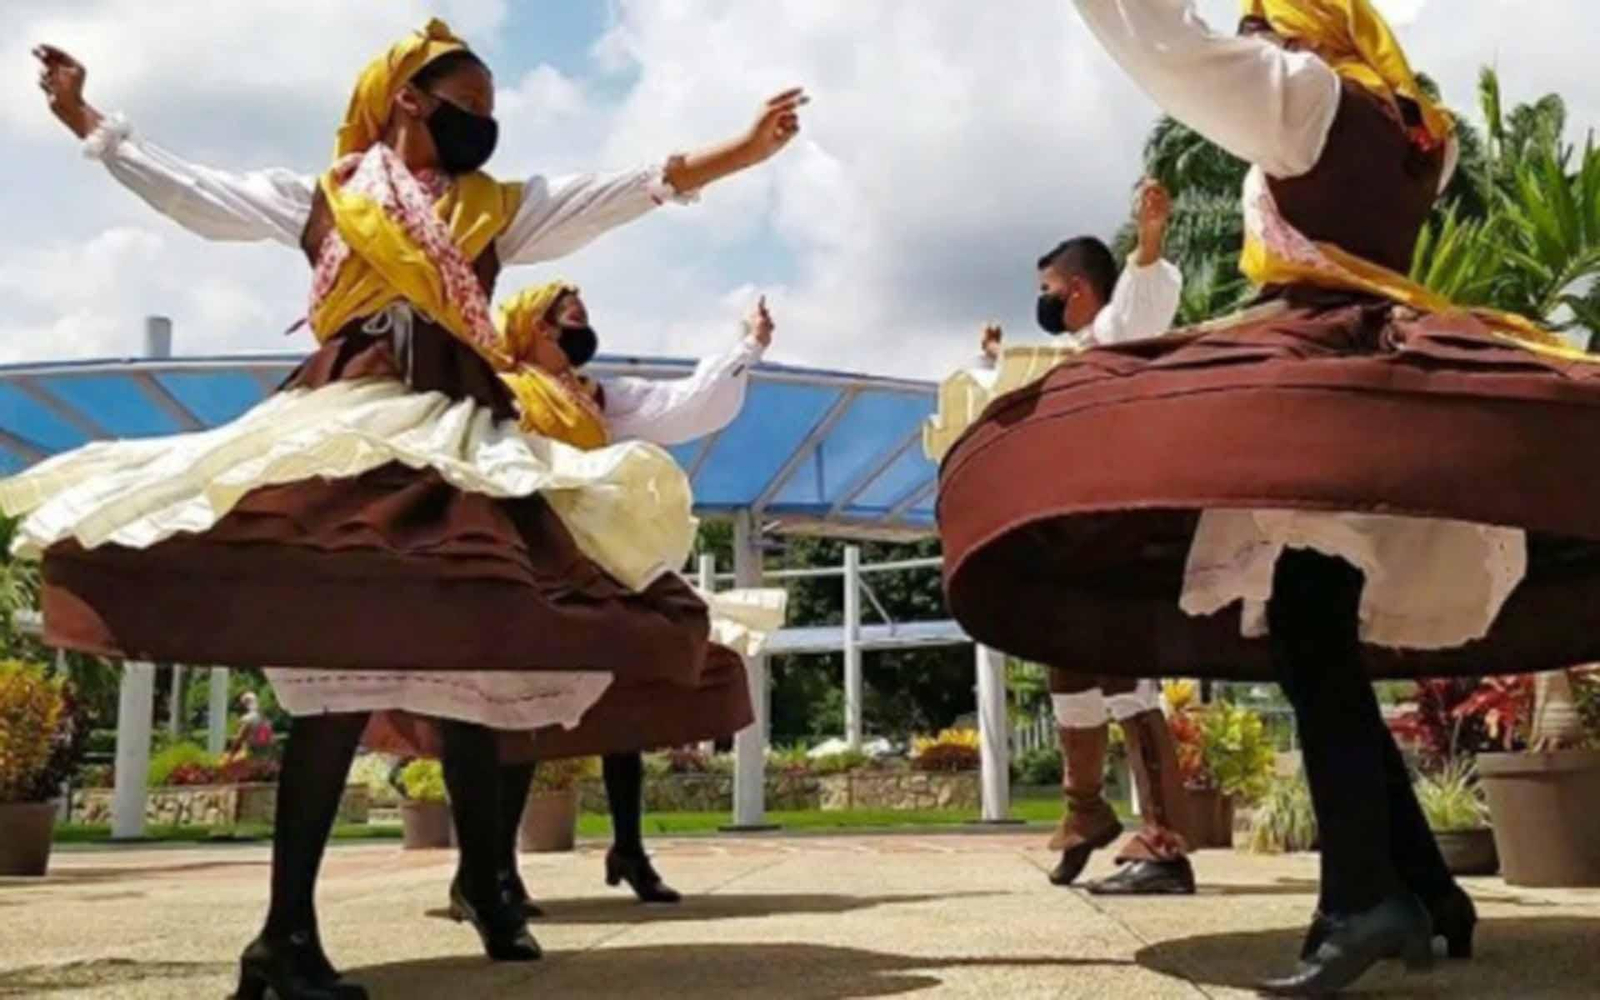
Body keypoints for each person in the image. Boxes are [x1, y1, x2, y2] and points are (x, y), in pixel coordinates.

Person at [16, 24, 805, 1000]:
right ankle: (286, 936)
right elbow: (198, 196)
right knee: (338, 672)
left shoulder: (495, 208)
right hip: (345, 423)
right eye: (469, 102)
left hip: (460, 427)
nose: (487, 121)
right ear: (408, 100)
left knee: (476, 646)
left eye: (491, 107)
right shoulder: (331, 194)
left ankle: (476, 875)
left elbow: (623, 189)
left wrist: (743, 150)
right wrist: (91, 122)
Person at [937, 0, 1600, 993]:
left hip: (1322, 385)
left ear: (1294, 26)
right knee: (1312, 632)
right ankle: (1417, 885)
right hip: (1376, 386)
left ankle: (1363, 901)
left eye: (1258, 17)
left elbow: (1163, 42)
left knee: (1308, 629)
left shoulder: (1302, 99)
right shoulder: (1419, 129)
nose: (1246, 35)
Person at [935, 181, 1193, 894]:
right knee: (1067, 668)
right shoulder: (1078, 348)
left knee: (1126, 683)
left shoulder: (1120, 329)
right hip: (1079, 533)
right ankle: (1085, 811)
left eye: (1049, 288)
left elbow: (1146, 294)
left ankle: (1166, 848)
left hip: (1123, 529)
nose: (1043, 299)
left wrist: (1148, 237)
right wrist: (992, 366)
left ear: (1078, 288)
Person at [225, 692, 275, 763]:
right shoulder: (265, 719)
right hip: (266, 757)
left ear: (245, 704)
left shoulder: (248, 718)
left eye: (241, 704)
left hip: (251, 756)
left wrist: (230, 755)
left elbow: (240, 738)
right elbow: (272, 740)